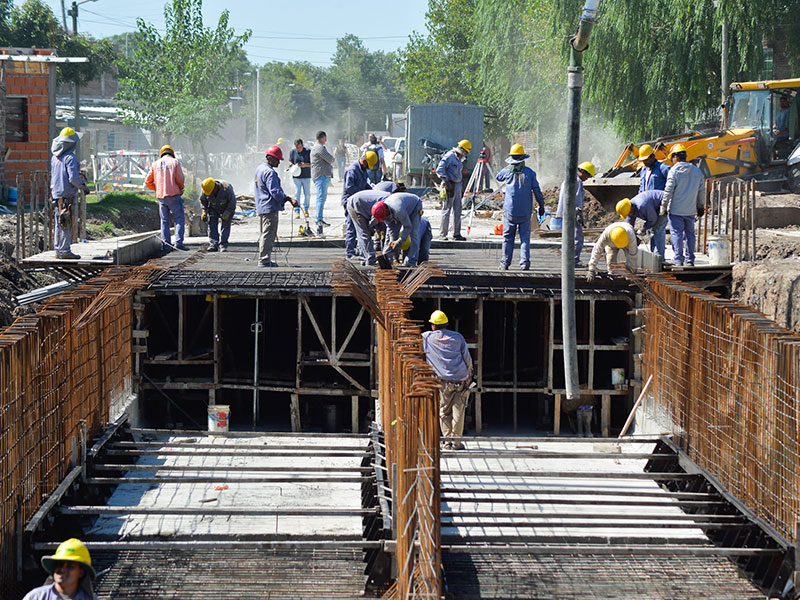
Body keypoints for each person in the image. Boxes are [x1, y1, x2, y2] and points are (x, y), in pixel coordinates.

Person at [422, 310, 473, 450]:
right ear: (446, 324)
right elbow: (467, 358)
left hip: (443, 382)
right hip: (461, 379)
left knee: (444, 412)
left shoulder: (426, 338)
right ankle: (456, 442)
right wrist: (470, 376)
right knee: (459, 411)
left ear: (433, 325)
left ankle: (447, 442)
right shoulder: (458, 337)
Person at [495, 144, 545, 271]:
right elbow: (537, 191)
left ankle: (505, 263)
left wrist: (508, 167)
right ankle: (524, 263)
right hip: (525, 211)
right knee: (524, 238)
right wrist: (541, 205)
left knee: (507, 237)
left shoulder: (507, 172)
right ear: (523, 158)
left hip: (510, 211)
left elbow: (498, 177)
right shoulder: (530, 173)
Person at [660, 143, 704, 266]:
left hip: (675, 211)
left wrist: (663, 206)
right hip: (690, 210)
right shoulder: (697, 171)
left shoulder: (673, 171)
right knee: (690, 234)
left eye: (671, 158)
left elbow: (668, 190)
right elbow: (702, 191)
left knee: (676, 234)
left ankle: (678, 260)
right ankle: (690, 260)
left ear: (675, 157)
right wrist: (700, 207)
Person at [254, 145, 298, 267]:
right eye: (277, 160)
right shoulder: (270, 173)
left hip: (262, 206)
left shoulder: (260, 169)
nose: (279, 162)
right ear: (270, 159)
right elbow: (275, 192)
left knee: (264, 233)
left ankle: (263, 258)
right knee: (268, 234)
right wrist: (288, 198)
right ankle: (264, 260)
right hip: (269, 207)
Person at [50, 127, 89, 260]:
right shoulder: (70, 158)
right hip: (67, 196)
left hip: (56, 195)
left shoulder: (55, 158)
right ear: (71, 143)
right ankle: (65, 251)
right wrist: (83, 186)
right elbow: (73, 179)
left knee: (58, 223)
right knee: (65, 222)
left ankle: (58, 250)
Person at [23, 538, 96, 600]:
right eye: (59, 564)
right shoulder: (36, 597)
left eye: (70, 566)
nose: (63, 569)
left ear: (81, 573)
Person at [145, 144, 186, 252]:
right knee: (179, 219)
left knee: (164, 221)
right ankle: (178, 243)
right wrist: (181, 188)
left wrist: (157, 188)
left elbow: (147, 181)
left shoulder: (155, 164)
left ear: (162, 153)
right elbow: (180, 179)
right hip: (174, 195)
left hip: (161, 197)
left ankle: (166, 245)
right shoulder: (175, 162)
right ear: (172, 153)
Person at [346, 181, 397, 266]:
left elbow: (389, 229)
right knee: (364, 233)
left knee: (365, 233)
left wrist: (387, 254)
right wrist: (371, 226)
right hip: (354, 205)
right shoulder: (386, 203)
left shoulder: (391, 202)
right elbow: (375, 217)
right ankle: (370, 259)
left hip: (364, 205)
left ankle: (364, 257)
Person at [555, 161, 595, 266]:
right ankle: (574, 260)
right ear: (582, 172)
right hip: (571, 213)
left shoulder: (568, 180)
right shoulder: (577, 182)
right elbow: (576, 199)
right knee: (578, 238)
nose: (587, 178)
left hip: (565, 213)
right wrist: (579, 214)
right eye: (588, 175)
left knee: (568, 237)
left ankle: (568, 260)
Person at [371, 191, 423, 266]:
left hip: (415, 206)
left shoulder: (398, 211)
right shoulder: (383, 212)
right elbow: (391, 229)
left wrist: (399, 241)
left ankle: (411, 261)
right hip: (401, 206)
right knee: (389, 237)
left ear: (386, 211)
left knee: (413, 234)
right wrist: (392, 241)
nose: (385, 218)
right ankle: (387, 259)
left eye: (384, 216)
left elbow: (408, 227)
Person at [341, 152, 377, 258]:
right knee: (351, 226)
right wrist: (362, 194)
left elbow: (365, 184)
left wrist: (372, 192)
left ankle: (357, 249)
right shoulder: (352, 170)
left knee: (360, 227)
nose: (368, 168)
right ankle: (349, 252)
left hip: (358, 202)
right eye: (367, 165)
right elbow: (349, 187)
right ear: (364, 161)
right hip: (349, 202)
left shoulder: (363, 170)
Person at [435, 139, 471, 240]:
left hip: (457, 185)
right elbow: (440, 170)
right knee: (446, 210)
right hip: (449, 185)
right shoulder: (450, 156)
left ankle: (456, 233)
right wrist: (446, 182)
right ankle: (443, 234)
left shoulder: (459, 159)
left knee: (457, 210)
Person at [616, 190, 667, 258]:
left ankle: (660, 258)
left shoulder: (642, 205)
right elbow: (629, 225)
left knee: (657, 229)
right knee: (653, 230)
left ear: (630, 210)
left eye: (628, 213)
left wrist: (643, 228)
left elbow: (652, 220)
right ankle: (654, 256)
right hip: (655, 206)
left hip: (664, 203)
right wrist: (630, 235)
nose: (628, 215)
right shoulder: (628, 207)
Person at [200, 177, 236, 252]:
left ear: (215, 188)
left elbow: (232, 203)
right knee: (212, 224)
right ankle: (213, 244)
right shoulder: (206, 189)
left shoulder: (227, 189)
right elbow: (203, 201)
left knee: (225, 225)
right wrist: (204, 211)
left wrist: (228, 212)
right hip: (213, 208)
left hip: (226, 208)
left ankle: (223, 245)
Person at [310, 131, 335, 229]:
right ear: (321, 138)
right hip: (321, 175)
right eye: (325, 138)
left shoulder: (318, 147)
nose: (326, 140)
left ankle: (319, 219)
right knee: (320, 198)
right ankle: (319, 219)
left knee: (322, 198)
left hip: (322, 175)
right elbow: (331, 159)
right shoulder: (319, 148)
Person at [288, 139, 312, 219]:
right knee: (297, 193)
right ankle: (297, 211)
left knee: (307, 194)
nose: (298, 149)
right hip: (296, 177)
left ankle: (305, 209)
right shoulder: (293, 152)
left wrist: (305, 165)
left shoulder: (308, 152)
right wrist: (292, 165)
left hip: (306, 176)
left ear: (302, 145)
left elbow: (312, 163)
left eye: (300, 147)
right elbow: (290, 161)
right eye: (297, 147)